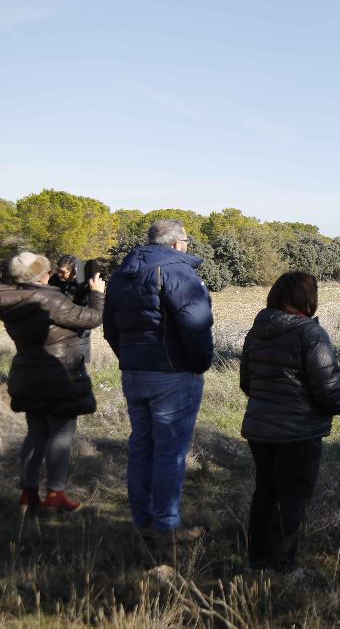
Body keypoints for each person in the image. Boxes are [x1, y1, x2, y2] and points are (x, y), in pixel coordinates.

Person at [103, 220, 214, 543]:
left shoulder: (123, 274)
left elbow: (110, 326)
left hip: (134, 372)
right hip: (172, 374)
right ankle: (166, 526)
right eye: (187, 241)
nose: (188, 247)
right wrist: (198, 364)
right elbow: (196, 323)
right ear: (178, 243)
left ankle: (143, 520)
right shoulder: (176, 272)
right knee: (169, 452)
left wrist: (129, 357)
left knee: (142, 447)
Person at [240, 272, 340, 571]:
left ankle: (257, 561)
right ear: (307, 299)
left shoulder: (256, 331)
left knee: (265, 493)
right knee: (292, 500)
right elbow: (326, 388)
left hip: (260, 430)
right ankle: (284, 567)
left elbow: (247, 382)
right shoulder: (310, 334)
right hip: (299, 432)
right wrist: (337, 406)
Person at [0, 252, 105, 513]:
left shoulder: (9, 299)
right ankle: (56, 493)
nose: (51, 275)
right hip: (59, 374)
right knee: (60, 433)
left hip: (27, 372)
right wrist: (97, 293)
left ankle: (28, 494)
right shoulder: (49, 298)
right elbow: (91, 318)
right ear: (40, 275)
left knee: (35, 433)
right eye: (47, 271)